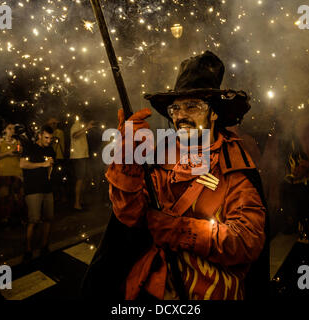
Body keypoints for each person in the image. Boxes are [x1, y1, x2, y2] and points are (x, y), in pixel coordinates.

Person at [104, 51, 267, 300]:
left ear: (214, 113)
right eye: (176, 108)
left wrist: (178, 230)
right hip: (152, 287)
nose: (181, 116)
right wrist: (126, 162)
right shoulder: (163, 155)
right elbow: (130, 215)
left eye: (192, 106)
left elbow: (247, 241)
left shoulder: (233, 165)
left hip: (210, 291)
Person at [20, 125, 55, 262]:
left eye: (50, 138)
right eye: (46, 137)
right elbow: (22, 164)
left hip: (47, 189)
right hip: (33, 189)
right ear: (39, 135)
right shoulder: (30, 148)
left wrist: (50, 167)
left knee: (48, 219)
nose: (48, 140)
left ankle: (44, 246)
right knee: (34, 220)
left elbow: (50, 169)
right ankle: (28, 250)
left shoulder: (50, 150)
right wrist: (42, 164)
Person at [0, 122, 24, 228]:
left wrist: (19, 151)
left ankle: (18, 219)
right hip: (3, 171)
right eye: (9, 128)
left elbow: (19, 153)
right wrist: (7, 153)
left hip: (16, 170)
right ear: (4, 129)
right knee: (4, 196)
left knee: (18, 196)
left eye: (13, 129)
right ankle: (4, 220)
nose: (12, 130)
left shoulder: (17, 141)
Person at [70, 115, 94, 211]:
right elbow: (74, 135)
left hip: (83, 156)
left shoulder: (81, 125)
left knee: (86, 178)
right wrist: (86, 128)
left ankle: (81, 200)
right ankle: (76, 203)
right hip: (78, 156)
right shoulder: (76, 125)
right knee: (80, 179)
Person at [47, 117, 68, 203]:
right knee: (54, 178)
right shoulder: (51, 132)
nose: (53, 125)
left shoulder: (59, 132)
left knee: (59, 178)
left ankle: (62, 196)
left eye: (54, 123)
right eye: (51, 124)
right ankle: (56, 196)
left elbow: (54, 140)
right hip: (53, 157)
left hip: (59, 157)